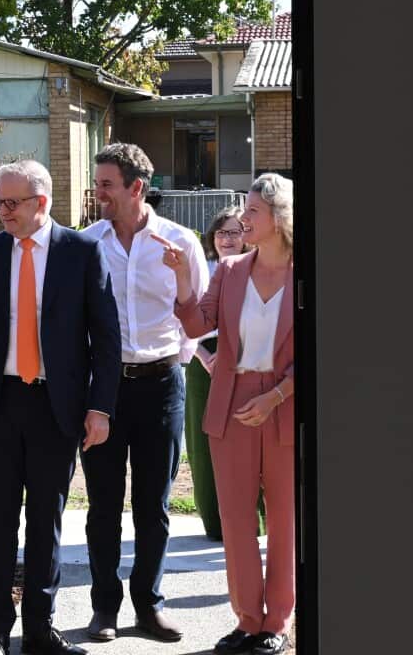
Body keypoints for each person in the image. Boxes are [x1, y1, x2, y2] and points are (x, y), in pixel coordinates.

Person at [0, 160, 121, 655]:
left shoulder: (81, 251)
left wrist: (100, 408)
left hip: (56, 407)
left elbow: (106, 338)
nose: (2, 210)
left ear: (40, 202)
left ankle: (40, 630)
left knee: (46, 521)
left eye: (11, 202)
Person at [153, 173, 296, 655]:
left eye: (252, 212)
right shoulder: (230, 271)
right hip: (231, 405)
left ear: (279, 219)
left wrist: (276, 396)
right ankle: (247, 621)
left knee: (284, 521)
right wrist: (182, 278)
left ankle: (277, 622)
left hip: (284, 403)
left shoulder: (306, 272)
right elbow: (196, 324)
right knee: (236, 521)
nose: (242, 219)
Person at [80, 143, 209, 643]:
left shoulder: (180, 242)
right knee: (103, 505)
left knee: (153, 506)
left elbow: (195, 313)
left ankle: (149, 606)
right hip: (104, 392)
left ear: (136, 188)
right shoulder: (87, 243)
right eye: (98, 184)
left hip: (161, 386)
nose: (98, 193)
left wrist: (172, 363)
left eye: (107, 184)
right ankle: (104, 608)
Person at [184, 207, 259, 542]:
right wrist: (201, 355)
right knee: (204, 442)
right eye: (221, 232)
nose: (227, 239)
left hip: (247, 358)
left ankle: (256, 520)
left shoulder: (257, 270)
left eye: (234, 232)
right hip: (203, 359)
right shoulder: (201, 269)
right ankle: (214, 523)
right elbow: (182, 318)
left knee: (248, 439)